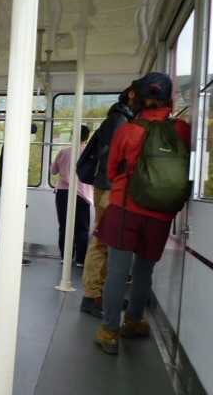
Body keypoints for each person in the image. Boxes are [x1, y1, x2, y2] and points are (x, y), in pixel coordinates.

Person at [93, 72, 190, 355]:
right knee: (144, 270)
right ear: (168, 99)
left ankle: (109, 331)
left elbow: (112, 170)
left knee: (117, 271)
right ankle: (134, 321)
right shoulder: (182, 130)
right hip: (161, 214)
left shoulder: (129, 130)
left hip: (126, 208)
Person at [80, 91, 134, 318]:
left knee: (105, 242)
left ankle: (102, 293)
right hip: (110, 189)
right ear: (132, 97)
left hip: (108, 187)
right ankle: (92, 295)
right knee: (102, 242)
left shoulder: (119, 119)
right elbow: (114, 158)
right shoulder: (119, 121)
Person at [0, 123, 38, 266]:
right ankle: (13, 256)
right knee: (17, 222)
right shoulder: (17, 144)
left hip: (6, 186)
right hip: (9, 188)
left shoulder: (12, 142)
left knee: (10, 219)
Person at [51, 125, 93, 267]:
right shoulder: (90, 153)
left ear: (73, 136)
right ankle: (80, 260)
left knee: (64, 226)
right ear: (87, 137)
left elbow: (53, 171)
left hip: (63, 193)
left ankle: (65, 257)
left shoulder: (63, 152)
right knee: (82, 228)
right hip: (83, 195)